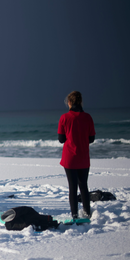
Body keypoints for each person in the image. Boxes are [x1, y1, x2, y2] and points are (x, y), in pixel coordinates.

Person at [58, 91, 96, 219]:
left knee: (72, 187)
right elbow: (91, 139)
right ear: (80, 102)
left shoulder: (64, 117)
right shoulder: (88, 117)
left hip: (70, 158)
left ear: (69, 102)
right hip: (83, 157)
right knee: (84, 186)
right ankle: (87, 213)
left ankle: (74, 215)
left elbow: (61, 139)